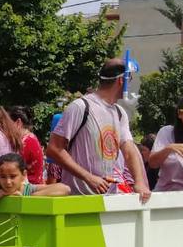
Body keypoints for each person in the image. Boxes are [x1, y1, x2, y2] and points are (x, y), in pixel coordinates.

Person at [47, 59, 151, 202]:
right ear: (121, 80)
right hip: (79, 199)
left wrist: (139, 182)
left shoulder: (120, 113)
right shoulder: (80, 107)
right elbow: (54, 149)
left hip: (109, 200)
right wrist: (88, 177)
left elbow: (129, 150)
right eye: (130, 79)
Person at [0, 153, 69, 208]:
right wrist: (2, 192)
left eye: (13, 176)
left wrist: (28, 199)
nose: (8, 182)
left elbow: (65, 189)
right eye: (3, 177)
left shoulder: (29, 190)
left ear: (24, 175)